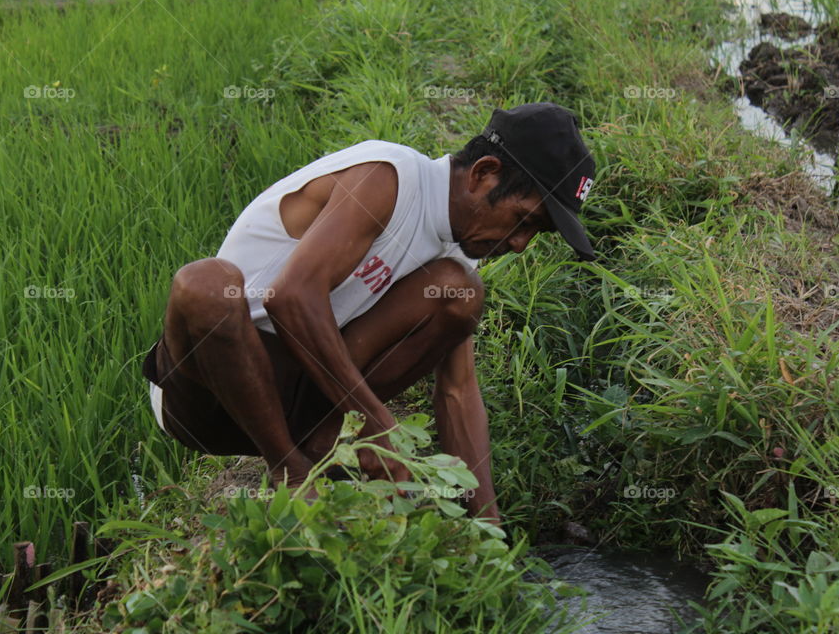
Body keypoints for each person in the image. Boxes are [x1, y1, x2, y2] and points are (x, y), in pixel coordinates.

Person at [141, 102, 596, 524]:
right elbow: (291, 298)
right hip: (211, 397)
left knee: (461, 292)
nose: (520, 243)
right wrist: (377, 422)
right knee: (204, 285)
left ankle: (320, 445)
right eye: (524, 220)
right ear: (484, 174)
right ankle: (290, 471)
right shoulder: (388, 176)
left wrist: (488, 525)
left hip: (297, 399)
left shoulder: (458, 256)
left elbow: (457, 391)